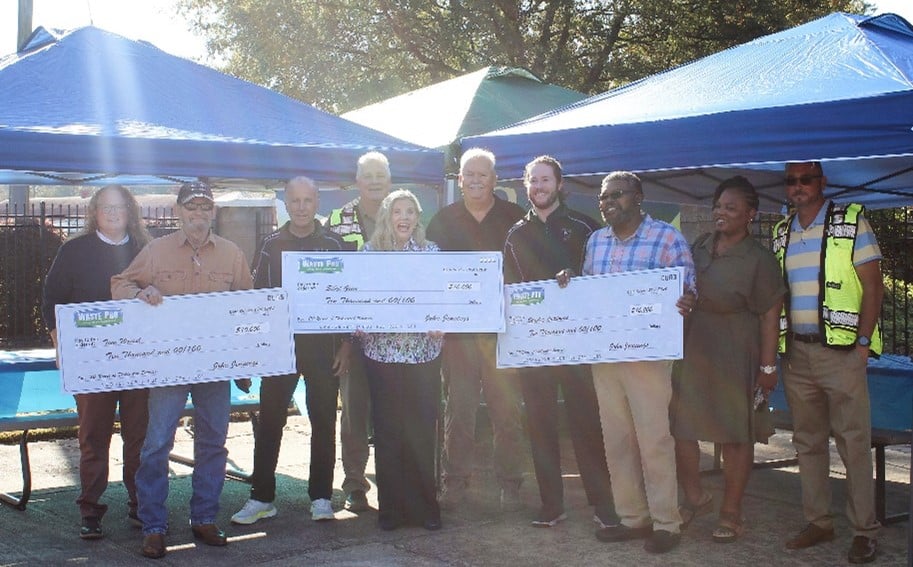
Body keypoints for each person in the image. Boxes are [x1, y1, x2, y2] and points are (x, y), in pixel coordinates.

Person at [111, 181, 253, 560]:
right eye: (192, 207)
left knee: (213, 443)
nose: (199, 214)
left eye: (206, 207)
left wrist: (245, 360)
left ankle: (204, 517)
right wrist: (139, 294)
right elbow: (119, 284)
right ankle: (154, 525)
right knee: (157, 444)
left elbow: (249, 308)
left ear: (213, 213)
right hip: (168, 368)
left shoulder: (232, 254)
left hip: (213, 369)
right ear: (178, 211)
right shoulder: (156, 252)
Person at [570, 171, 695, 554]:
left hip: (648, 358)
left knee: (654, 439)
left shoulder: (666, 238)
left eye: (617, 196)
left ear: (638, 198)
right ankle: (633, 518)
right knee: (617, 440)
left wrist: (687, 299)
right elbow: (589, 292)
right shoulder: (596, 241)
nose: (608, 203)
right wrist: (569, 283)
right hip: (605, 356)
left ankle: (666, 523)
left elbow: (688, 288)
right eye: (603, 198)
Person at [774, 161, 883, 564]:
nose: (798, 186)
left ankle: (864, 531)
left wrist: (862, 346)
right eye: (791, 181)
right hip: (797, 354)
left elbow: (873, 287)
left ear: (822, 182)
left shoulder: (851, 221)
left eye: (805, 179)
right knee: (808, 443)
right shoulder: (782, 231)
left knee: (854, 443)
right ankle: (819, 521)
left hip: (841, 353)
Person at [502, 156, 615, 529]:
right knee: (540, 423)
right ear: (525, 186)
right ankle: (552, 504)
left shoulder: (585, 227)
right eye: (533, 181)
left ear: (560, 184)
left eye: (545, 180)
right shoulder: (516, 235)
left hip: (579, 346)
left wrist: (577, 278)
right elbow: (510, 291)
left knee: (586, 424)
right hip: (535, 347)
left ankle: (602, 505)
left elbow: (604, 275)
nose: (539, 187)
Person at [671, 176, 785, 543]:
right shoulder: (700, 246)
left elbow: (770, 315)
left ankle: (731, 512)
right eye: (718, 206)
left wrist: (768, 367)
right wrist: (685, 301)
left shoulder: (759, 259)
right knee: (682, 428)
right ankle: (694, 497)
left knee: (736, 434)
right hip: (695, 349)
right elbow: (683, 288)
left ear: (750, 215)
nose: (720, 213)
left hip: (737, 350)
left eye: (730, 208)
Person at [231, 177, 350, 526]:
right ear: (286, 203)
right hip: (280, 349)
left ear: (317, 202)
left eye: (307, 200)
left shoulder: (335, 243)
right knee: (270, 423)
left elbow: (347, 298)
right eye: (295, 201)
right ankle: (262, 497)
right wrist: (255, 348)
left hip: (324, 349)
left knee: (324, 423)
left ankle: (322, 497)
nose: (301, 207)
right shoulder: (270, 244)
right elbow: (257, 298)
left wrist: (346, 344)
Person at [42, 185, 152, 540]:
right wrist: (61, 346)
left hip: (138, 361)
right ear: (94, 212)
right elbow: (52, 301)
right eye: (106, 207)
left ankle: (141, 505)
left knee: (139, 437)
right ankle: (90, 509)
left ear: (131, 211)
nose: (114, 213)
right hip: (92, 363)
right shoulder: (74, 251)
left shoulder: (147, 250)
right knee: (93, 438)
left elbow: (166, 297)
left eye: (120, 207)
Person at [426, 147, 526, 511]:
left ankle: (511, 484)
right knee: (459, 411)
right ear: (459, 179)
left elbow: (525, 271)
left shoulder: (515, 218)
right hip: (458, 338)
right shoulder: (442, 220)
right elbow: (431, 276)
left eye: (482, 174)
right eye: (469, 174)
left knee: (507, 412)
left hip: (502, 334)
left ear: (494, 180)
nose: (475, 180)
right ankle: (455, 483)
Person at [358, 189, 444, 531]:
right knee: (388, 432)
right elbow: (356, 300)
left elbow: (445, 298)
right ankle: (391, 509)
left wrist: (444, 323)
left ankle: (426, 509)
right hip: (382, 356)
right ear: (387, 217)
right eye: (398, 211)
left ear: (417, 217)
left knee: (422, 432)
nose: (404, 217)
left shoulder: (431, 253)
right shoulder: (368, 254)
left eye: (410, 211)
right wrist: (358, 321)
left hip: (423, 356)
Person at [325, 151, 391, 512]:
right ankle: (355, 485)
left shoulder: (404, 215)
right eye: (368, 174)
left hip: (398, 341)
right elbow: (330, 288)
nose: (375, 180)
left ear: (390, 180)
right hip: (352, 340)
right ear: (357, 180)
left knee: (393, 413)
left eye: (381, 174)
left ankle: (395, 482)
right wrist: (344, 342)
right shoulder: (336, 221)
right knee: (353, 412)